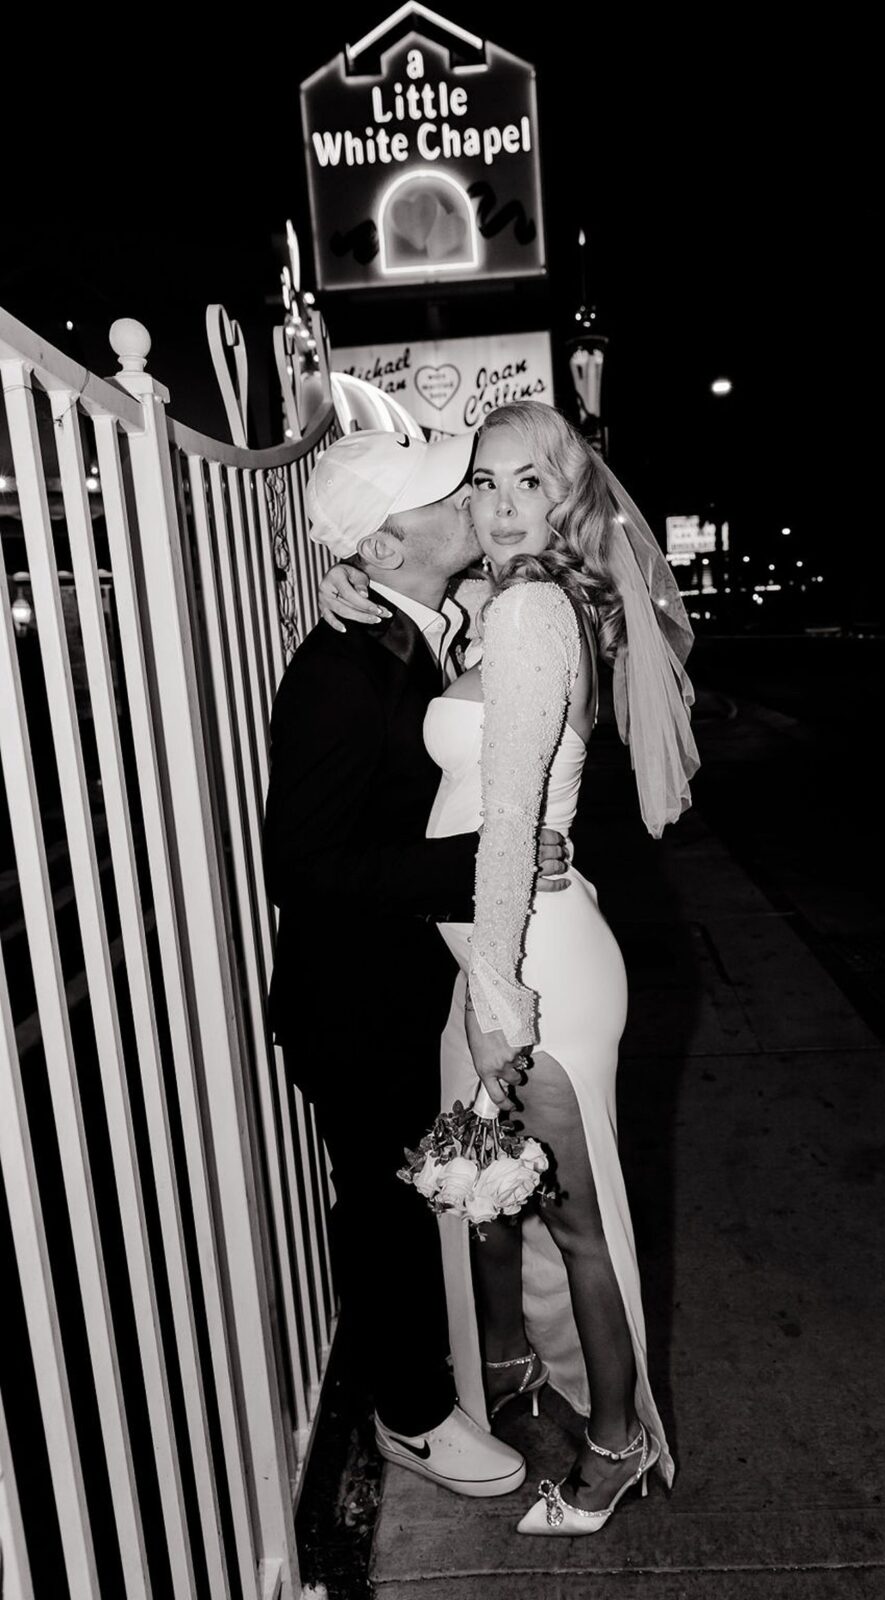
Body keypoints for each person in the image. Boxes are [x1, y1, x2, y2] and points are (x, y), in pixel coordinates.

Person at [318, 402, 699, 1535]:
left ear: (565, 500)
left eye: (525, 484)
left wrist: (493, 998)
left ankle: (617, 1447)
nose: (494, 504)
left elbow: (505, 826)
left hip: (532, 963)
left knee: (571, 1220)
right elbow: (479, 755)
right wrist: (342, 580)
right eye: (480, 482)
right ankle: (530, 1366)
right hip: (508, 947)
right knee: (501, 1202)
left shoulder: (530, 610)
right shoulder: (499, 606)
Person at [263, 428, 570, 1499]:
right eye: (457, 491)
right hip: (355, 1004)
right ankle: (409, 1413)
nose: (479, 501)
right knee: (387, 1210)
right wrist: (476, 861)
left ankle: (448, 1370)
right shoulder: (338, 671)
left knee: (427, 1195)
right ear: (389, 546)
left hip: (407, 987)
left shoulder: (422, 622)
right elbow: (300, 866)